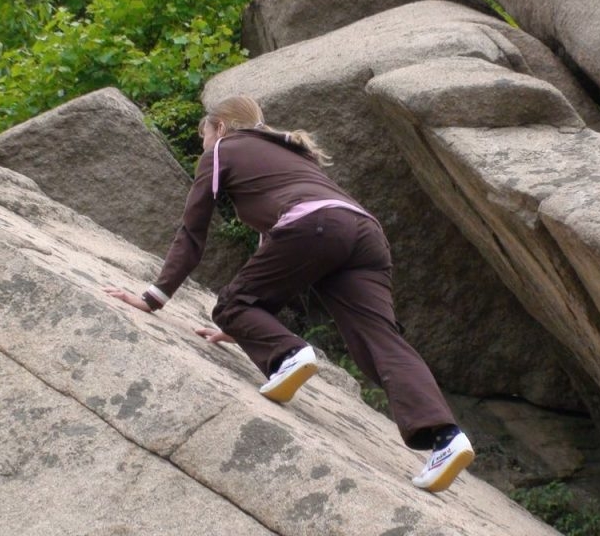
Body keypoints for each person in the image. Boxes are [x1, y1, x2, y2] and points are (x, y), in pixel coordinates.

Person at [104, 95, 473, 493]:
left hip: (316, 225)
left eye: (203, 135)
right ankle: (446, 439)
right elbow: (276, 251)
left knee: (229, 304)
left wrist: (154, 298)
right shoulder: (291, 153)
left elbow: (193, 232)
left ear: (221, 127)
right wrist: (251, 325)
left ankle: (289, 355)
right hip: (365, 233)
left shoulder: (223, 149)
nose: (203, 145)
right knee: (380, 341)